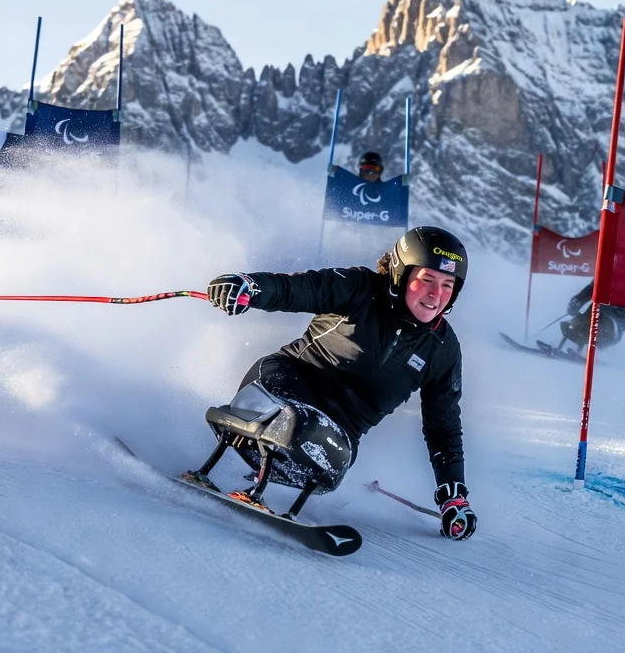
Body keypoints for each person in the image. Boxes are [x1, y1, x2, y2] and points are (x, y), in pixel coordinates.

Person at [196, 226, 476, 541]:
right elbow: (295, 289)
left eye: (447, 285)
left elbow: (444, 428)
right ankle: (230, 466)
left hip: (336, 433)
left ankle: (273, 481)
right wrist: (250, 287)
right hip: (282, 384)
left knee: (324, 450)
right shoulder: (359, 289)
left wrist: (453, 495)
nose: (435, 295)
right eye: (426, 280)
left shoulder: (442, 349)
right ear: (401, 273)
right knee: (295, 422)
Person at [558, 280, 625, 350]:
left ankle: (589, 347)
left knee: (604, 323)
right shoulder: (611, 267)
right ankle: (579, 333)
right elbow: (593, 287)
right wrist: (578, 300)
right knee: (592, 312)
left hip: (620, 320)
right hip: (600, 310)